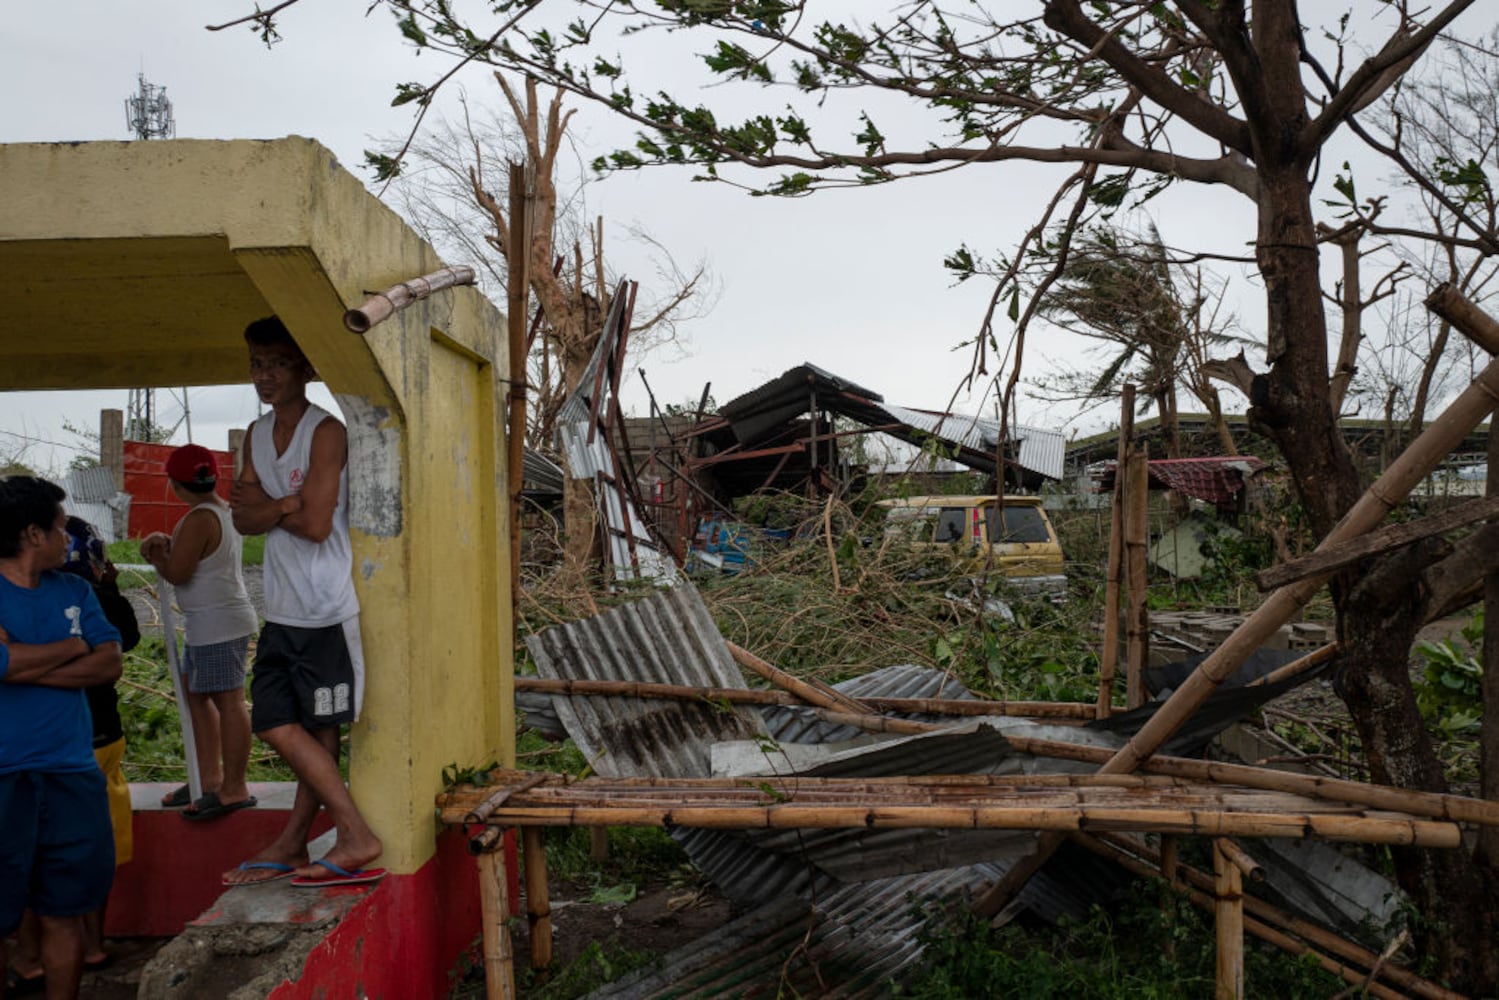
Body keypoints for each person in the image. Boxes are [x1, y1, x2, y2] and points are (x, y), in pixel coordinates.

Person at [222, 316, 384, 888]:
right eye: (257, 365)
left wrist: (283, 506)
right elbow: (242, 518)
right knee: (274, 720)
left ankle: (348, 837)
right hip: (283, 608)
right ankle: (304, 841)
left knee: (315, 728)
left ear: (306, 368)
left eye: (277, 364)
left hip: (324, 608)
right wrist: (284, 504)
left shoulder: (326, 432)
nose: (264, 377)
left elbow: (317, 524)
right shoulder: (254, 433)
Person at [0, 478, 123, 999]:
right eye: (57, 528)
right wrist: (72, 647)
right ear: (32, 534)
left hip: (73, 774)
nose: (65, 539)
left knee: (65, 912)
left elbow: (110, 662)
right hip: (4, 776)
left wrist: (18, 664)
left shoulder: (76, 590)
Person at [140, 444, 259, 822]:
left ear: (175, 484)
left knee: (229, 700)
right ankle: (206, 777)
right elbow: (197, 560)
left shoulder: (200, 518)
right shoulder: (219, 512)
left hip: (218, 623)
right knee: (197, 697)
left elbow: (177, 572)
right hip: (210, 622)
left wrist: (155, 553)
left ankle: (234, 787)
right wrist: (166, 547)